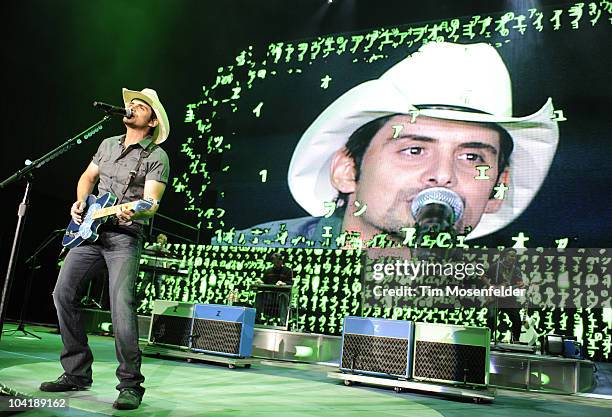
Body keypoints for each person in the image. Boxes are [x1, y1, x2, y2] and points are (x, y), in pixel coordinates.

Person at [220, 42, 559, 248]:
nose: (442, 176)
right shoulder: (251, 255)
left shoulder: (492, 293)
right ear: (347, 170)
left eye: (472, 157)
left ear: (498, 189)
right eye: (414, 150)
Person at [39, 88, 170, 410]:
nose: (133, 108)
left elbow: (151, 203)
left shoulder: (156, 156)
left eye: (141, 107)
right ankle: (76, 373)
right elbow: (88, 177)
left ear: (151, 121)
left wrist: (134, 209)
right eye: (131, 104)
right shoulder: (108, 144)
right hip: (88, 234)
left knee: (121, 306)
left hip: (124, 236)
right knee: (62, 294)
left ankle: (130, 384)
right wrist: (81, 201)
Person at [482, 248, 526, 343]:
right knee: (491, 319)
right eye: (511, 255)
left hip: (509, 300)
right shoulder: (496, 266)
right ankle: (487, 340)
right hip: (495, 298)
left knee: (517, 320)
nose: (513, 258)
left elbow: (520, 283)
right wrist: (491, 286)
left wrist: (518, 286)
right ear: (504, 256)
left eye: (514, 256)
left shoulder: (516, 270)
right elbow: (484, 276)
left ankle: (515, 341)